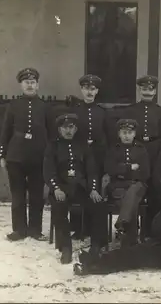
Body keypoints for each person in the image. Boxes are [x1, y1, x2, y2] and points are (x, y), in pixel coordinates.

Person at [72, 175, 161, 275]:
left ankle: (93, 266)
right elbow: (156, 225)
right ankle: (93, 262)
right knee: (132, 252)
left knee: (135, 257)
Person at [43, 113, 108, 264]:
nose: (68, 131)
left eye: (71, 127)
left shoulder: (83, 146)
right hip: (62, 189)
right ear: (59, 129)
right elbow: (48, 171)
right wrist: (56, 188)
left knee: (99, 205)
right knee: (59, 207)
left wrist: (93, 189)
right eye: (64, 127)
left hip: (81, 188)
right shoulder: (52, 146)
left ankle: (96, 246)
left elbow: (92, 171)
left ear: (76, 129)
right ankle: (65, 247)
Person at [0, 68, 52, 241]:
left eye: (32, 82)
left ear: (37, 85)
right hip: (16, 157)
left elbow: (51, 133)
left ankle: (35, 230)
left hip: (38, 157)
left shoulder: (44, 106)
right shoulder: (13, 106)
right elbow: (5, 131)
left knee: (37, 195)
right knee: (18, 194)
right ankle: (19, 230)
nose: (29, 85)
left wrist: (49, 157)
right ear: (21, 85)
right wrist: (2, 155)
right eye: (26, 82)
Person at [118, 75, 161, 235]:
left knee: (154, 191)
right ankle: (131, 230)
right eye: (144, 89)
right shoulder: (131, 110)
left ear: (155, 91)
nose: (147, 92)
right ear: (139, 90)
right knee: (135, 188)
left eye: (150, 89)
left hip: (155, 153)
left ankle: (150, 230)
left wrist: (160, 155)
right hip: (136, 152)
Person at [69, 74, 109, 240]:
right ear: (81, 90)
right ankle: (77, 229)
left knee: (95, 191)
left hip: (98, 157)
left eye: (93, 89)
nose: (89, 92)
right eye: (86, 88)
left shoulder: (102, 112)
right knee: (79, 190)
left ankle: (93, 229)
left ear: (97, 91)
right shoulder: (75, 111)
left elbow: (109, 136)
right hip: (80, 157)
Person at [104, 118, 150, 247]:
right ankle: (130, 238)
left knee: (132, 192)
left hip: (138, 185)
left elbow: (145, 173)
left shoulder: (141, 149)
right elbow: (109, 169)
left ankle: (122, 224)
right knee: (131, 201)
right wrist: (130, 168)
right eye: (124, 132)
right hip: (118, 186)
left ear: (134, 134)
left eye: (129, 133)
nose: (127, 136)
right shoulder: (113, 149)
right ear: (119, 134)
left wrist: (121, 170)